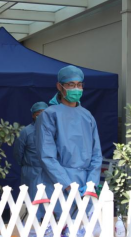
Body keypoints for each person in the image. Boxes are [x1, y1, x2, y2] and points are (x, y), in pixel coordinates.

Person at [36, 66, 102, 218]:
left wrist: (91, 183)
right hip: (58, 182)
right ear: (60, 87)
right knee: (58, 229)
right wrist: (67, 185)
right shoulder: (49, 115)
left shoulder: (87, 116)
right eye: (71, 85)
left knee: (84, 228)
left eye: (79, 85)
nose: (76, 89)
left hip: (85, 183)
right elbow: (46, 156)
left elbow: (97, 154)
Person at [14, 101, 48, 203]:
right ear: (33, 115)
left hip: (48, 171)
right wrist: (28, 165)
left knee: (49, 201)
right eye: (39, 112)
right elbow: (18, 153)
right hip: (31, 171)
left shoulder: (52, 131)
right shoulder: (25, 131)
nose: (41, 115)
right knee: (31, 201)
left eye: (44, 112)